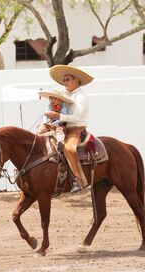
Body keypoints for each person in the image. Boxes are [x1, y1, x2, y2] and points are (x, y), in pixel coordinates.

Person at [45, 65, 94, 193]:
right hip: (63, 127)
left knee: (69, 149)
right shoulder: (67, 96)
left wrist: (57, 115)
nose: (64, 82)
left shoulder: (81, 97)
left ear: (76, 81)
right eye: (64, 80)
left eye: (67, 79)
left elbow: (76, 117)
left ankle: (80, 181)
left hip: (76, 129)